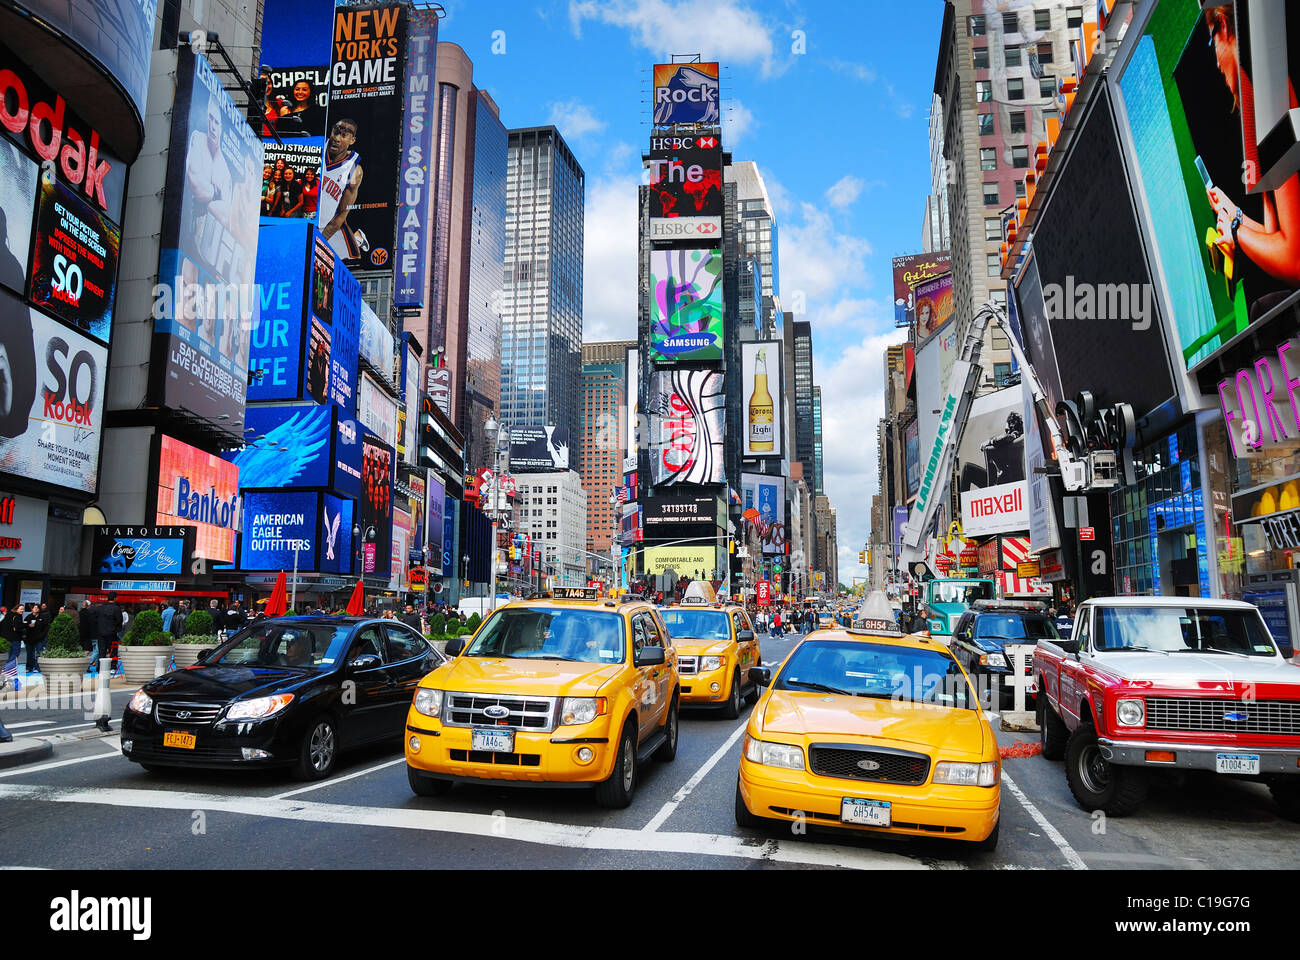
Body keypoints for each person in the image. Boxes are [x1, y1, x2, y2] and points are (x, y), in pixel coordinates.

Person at [320, 118, 365, 260]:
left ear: (352, 140)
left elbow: (341, 214)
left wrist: (319, 241)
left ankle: (357, 239)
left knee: (350, 259)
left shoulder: (354, 171)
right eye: (335, 132)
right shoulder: (317, 148)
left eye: (344, 135)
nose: (337, 138)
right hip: (305, 219)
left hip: (328, 226)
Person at [95, 593, 122, 665]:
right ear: (115, 598)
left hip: (101, 632)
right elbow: (119, 620)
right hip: (112, 633)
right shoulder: (116, 608)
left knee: (102, 651)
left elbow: (96, 619)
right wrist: (117, 629)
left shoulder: (100, 608)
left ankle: (100, 667)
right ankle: (113, 666)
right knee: (113, 650)